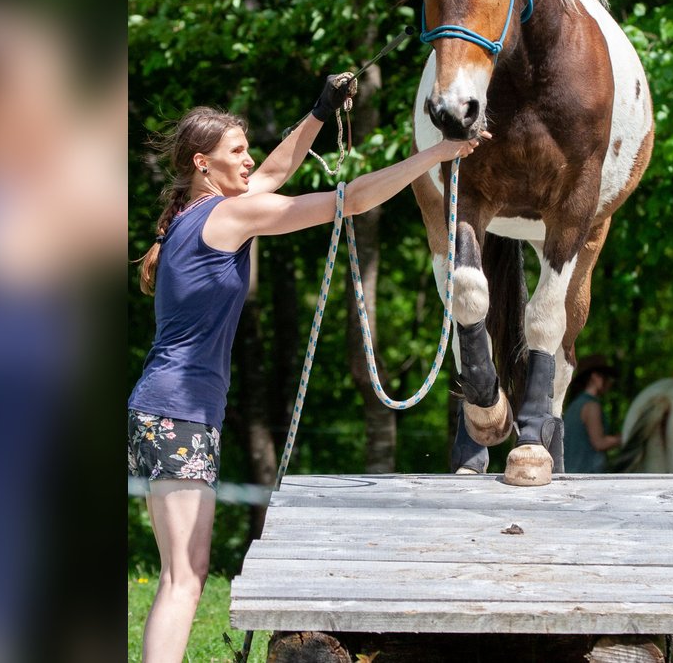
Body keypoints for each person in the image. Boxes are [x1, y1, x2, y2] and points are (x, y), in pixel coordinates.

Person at [129, 77, 484, 663]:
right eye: (237, 150)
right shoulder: (231, 214)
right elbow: (352, 200)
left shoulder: (193, 215)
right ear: (202, 163)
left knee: (179, 575)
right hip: (179, 413)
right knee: (184, 580)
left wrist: (319, 111)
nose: (249, 159)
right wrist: (436, 154)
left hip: (161, 410)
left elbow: (273, 173)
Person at [562, 356, 622, 473]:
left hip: (572, 473)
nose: (609, 382)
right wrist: (626, 437)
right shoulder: (591, 406)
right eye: (606, 377)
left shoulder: (575, 404)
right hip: (587, 476)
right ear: (595, 377)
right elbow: (599, 443)